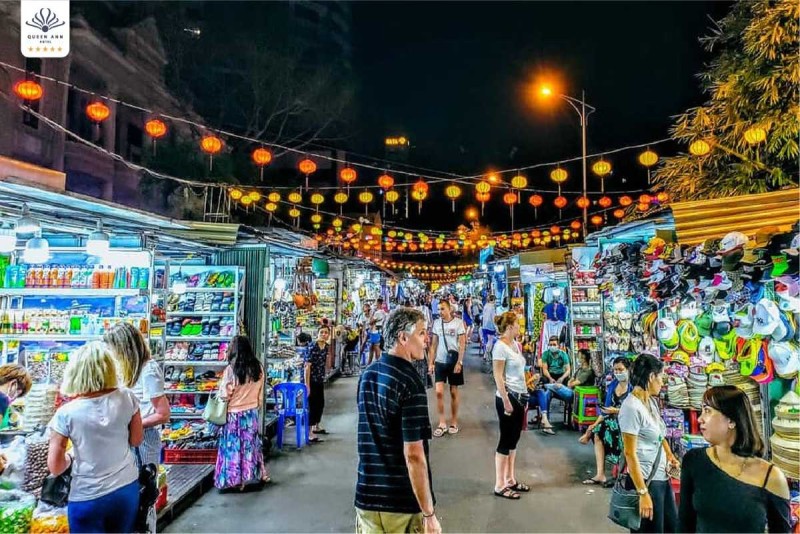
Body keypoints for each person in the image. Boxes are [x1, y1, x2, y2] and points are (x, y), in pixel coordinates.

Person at [355, 308, 441, 534]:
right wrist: (429, 513)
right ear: (403, 337)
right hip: (400, 502)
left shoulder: (368, 375)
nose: (426, 340)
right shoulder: (410, 382)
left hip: (367, 497)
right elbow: (414, 455)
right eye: (421, 334)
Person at [47, 342, 143, 533]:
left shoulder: (66, 413)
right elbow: (136, 440)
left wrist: (72, 456)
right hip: (126, 489)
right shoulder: (127, 397)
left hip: (88, 495)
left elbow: (55, 467)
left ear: (75, 373)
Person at [679, 386, 790, 533]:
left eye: (708, 411)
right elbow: (684, 525)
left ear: (731, 421)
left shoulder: (771, 477)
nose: (700, 419)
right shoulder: (694, 461)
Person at [618, 353, 680, 533]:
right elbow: (630, 453)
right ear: (651, 376)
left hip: (661, 479)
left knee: (670, 527)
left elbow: (659, 436)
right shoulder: (631, 408)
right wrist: (642, 493)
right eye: (661, 377)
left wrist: (670, 455)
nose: (662, 382)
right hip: (645, 481)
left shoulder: (650, 402)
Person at [104, 322, 170, 467]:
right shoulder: (128, 369)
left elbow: (163, 414)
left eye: (112, 348)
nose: (111, 353)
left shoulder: (148, 371)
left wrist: (134, 425)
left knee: (144, 483)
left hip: (144, 437)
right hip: (127, 434)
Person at [214, 335, 270, 491]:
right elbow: (260, 392)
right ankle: (251, 476)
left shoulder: (231, 369)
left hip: (233, 414)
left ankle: (235, 480)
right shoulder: (258, 368)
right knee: (250, 445)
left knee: (233, 447)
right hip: (251, 413)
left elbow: (225, 394)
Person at [491, 311, 530, 500]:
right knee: (505, 440)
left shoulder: (515, 345)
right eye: (517, 325)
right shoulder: (499, 347)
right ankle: (500, 484)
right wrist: (506, 400)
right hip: (508, 397)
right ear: (509, 327)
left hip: (520, 396)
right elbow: (498, 376)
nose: (519, 327)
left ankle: (510, 478)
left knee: (514, 440)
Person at [580, 356, 632, 486]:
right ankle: (600, 474)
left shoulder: (633, 387)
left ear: (628, 369)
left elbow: (636, 410)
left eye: (621, 369)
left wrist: (617, 411)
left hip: (628, 422)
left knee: (609, 430)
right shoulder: (613, 385)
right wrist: (593, 425)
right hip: (612, 420)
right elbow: (605, 410)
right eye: (615, 370)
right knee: (597, 430)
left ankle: (621, 473)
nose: (618, 373)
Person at [430, 300, 466, 437]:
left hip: (454, 362)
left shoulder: (458, 323)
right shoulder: (436, 324)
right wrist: (431, 362)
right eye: (439, 309)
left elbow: (462, 344)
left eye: (443, 309)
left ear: (450, 309)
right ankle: (442, 422)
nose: (440, 312)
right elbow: (433, 345)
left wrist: (460, 362)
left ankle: (454, 421)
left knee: (453, 391)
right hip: (440, 361)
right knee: (439, 392)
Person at [305, 326, 330, 442]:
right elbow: (307, 367)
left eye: (326, 333)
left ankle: (316, 426)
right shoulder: (312, 346)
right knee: (312, 405)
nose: (324, 334)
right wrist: (307, 385)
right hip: (311, 380)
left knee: (320, 403)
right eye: (322, 332)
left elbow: (324, 362)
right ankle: (309, 432)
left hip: (319, 379)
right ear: (318, 333)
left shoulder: (326, 347)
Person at [367, 298, 387, 365]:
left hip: (375, 333)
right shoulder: (383, 312)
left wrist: (371, 314)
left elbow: (370, 322)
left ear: (378, 303)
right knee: (371, 349)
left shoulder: (377, 313)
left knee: (376, 350)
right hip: (378, 332)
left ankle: (378, 365)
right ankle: (369, 364)